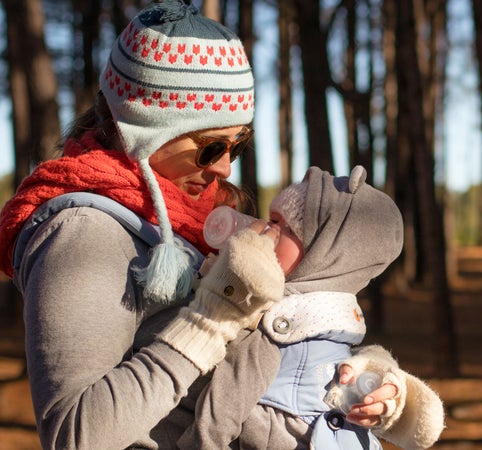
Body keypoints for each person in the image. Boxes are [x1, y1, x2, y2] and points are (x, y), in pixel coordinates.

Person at [0, 2, 391, 448]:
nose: (224, 167)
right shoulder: (83, 232)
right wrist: (212, 317)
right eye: (210, 146)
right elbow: (77, 434)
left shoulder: (191, 219)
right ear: (143, 128)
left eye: (238, 144)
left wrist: (362, 379)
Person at [178, 165, 445, 450]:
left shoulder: (279, 325)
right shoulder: (333, 322)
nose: (265, 231)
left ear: (324, 254)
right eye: (270, 220)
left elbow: (222, 409)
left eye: (283, 226)